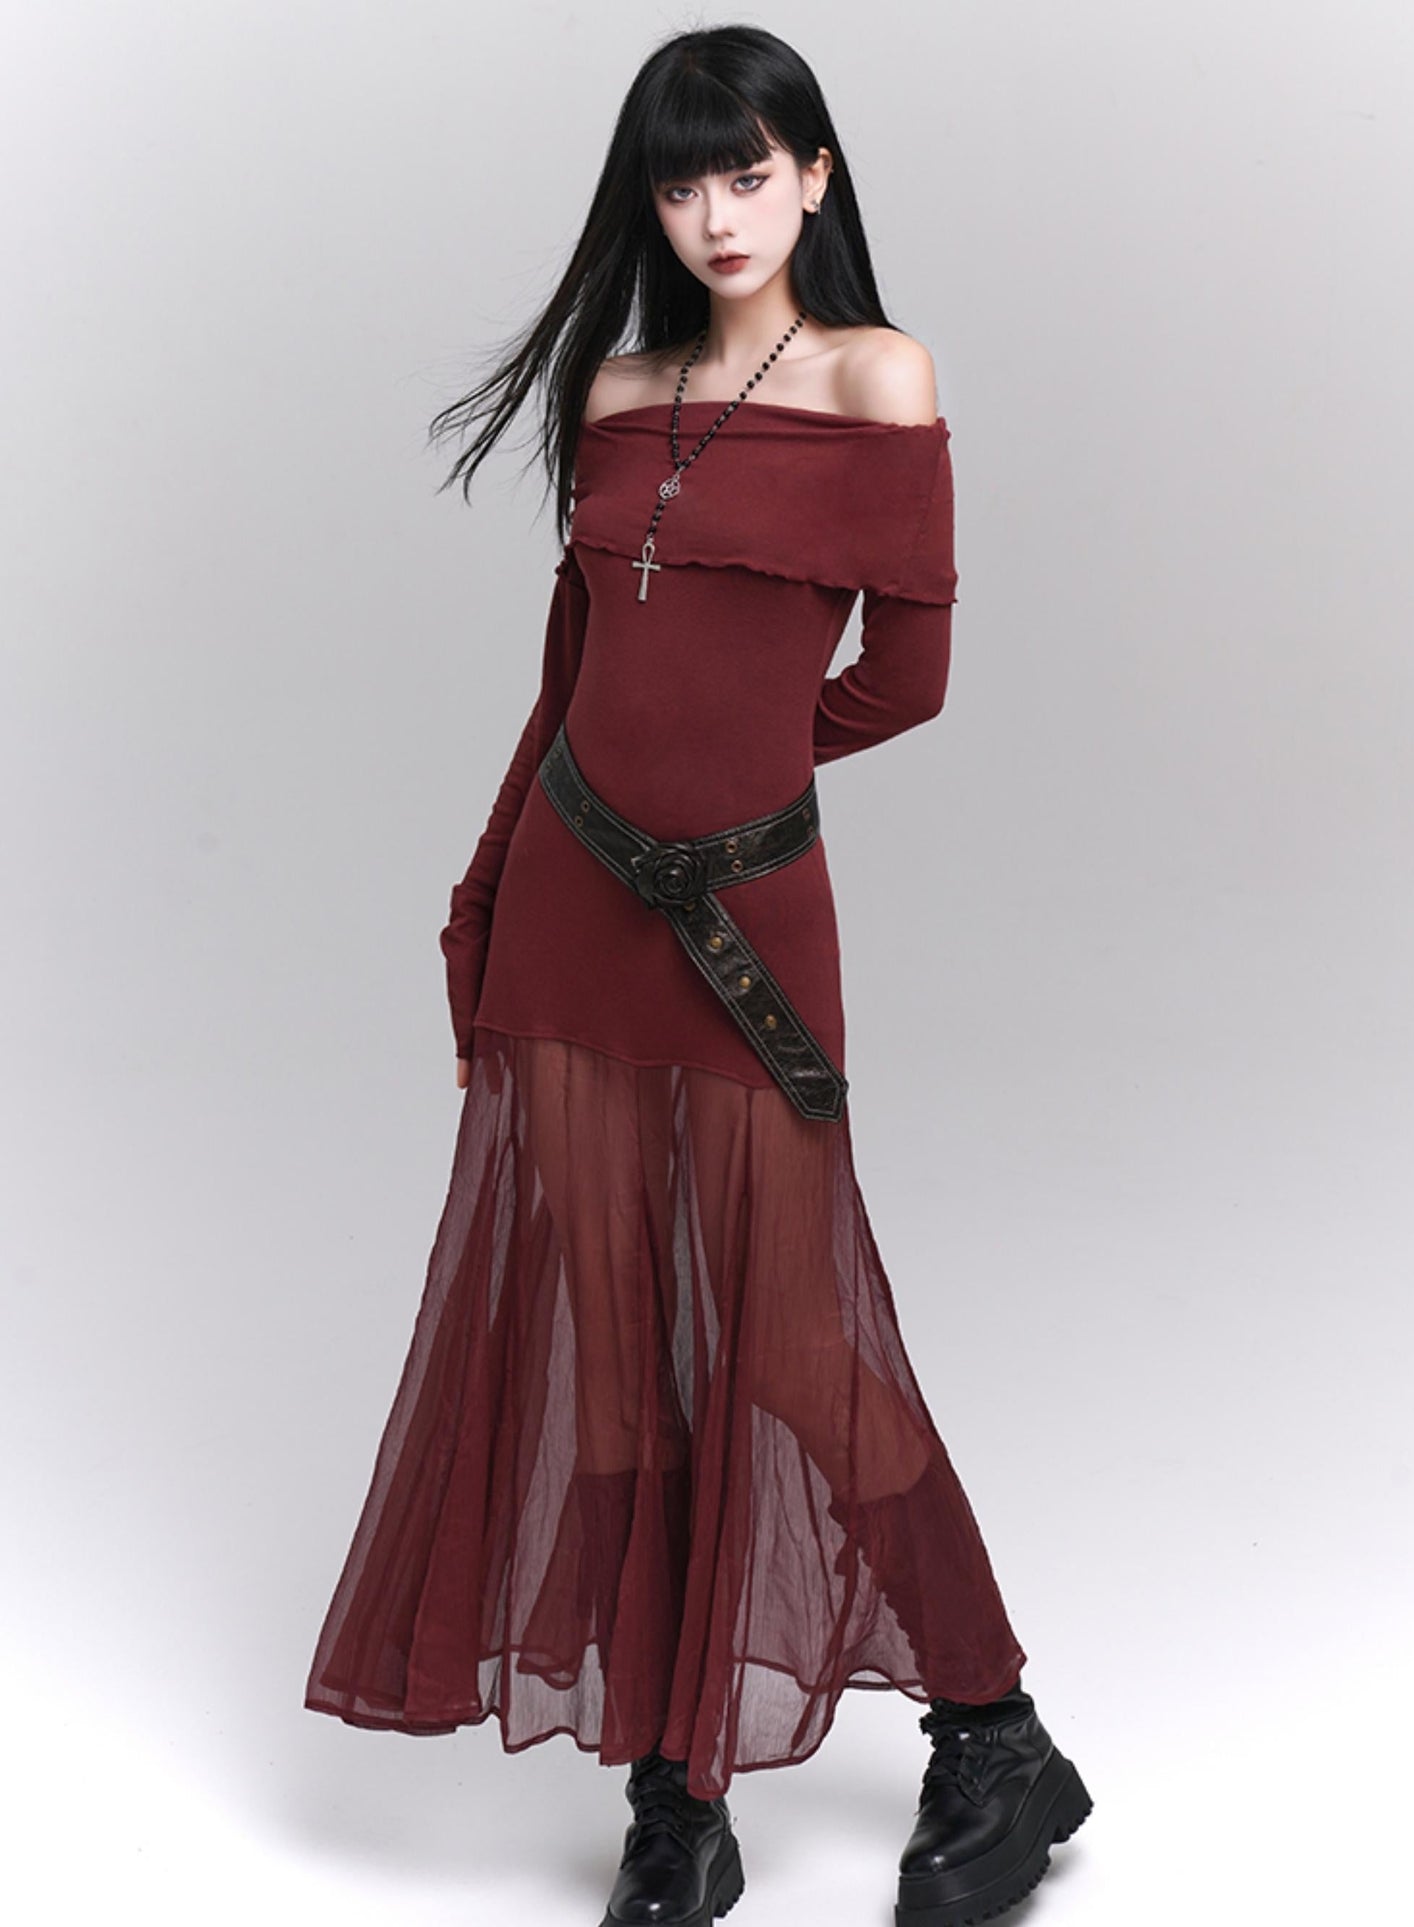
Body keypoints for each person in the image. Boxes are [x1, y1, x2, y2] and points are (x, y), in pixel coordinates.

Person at [303, 23, 1091, 1927]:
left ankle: (994, 1731)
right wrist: (483, 903)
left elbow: (904, 683)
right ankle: (673, 1791)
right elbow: (568, 689)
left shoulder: (877, 374)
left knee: (800, 1350)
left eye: (748, 171)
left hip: (741, 927)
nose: (717, 214)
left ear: (815, 174)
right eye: (680, 182)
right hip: (566, 913)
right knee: (608, 1345)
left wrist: (721, 797)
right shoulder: (621, 384)